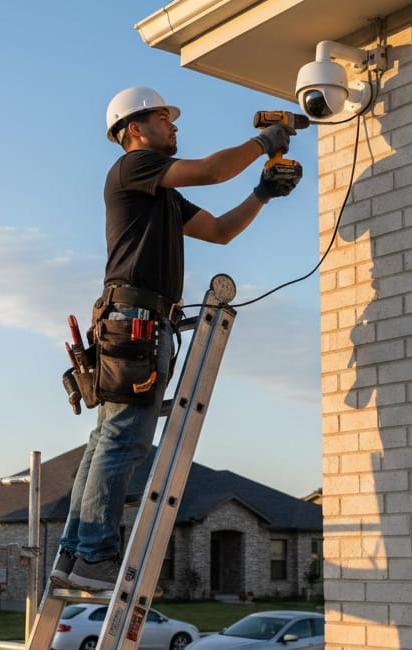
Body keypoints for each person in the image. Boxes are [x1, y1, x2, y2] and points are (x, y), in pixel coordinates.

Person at [51, 86, 302, 591]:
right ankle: (96, 556)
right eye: (166, 118)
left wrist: (262, 194)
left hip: (138, 320)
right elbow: (211, 170)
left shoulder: (161, 194)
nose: (176, 126)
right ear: (135, 129)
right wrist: (263, 142)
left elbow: (219, 231)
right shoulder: (133, 168)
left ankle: (77, 554)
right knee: (122, 441)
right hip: (136, 319)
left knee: (107, 440)